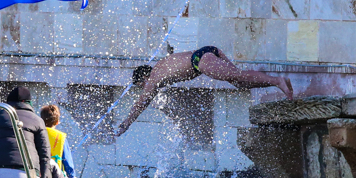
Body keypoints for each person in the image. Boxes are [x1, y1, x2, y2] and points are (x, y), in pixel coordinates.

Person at [116, 47, 293, 136]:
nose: (144, 89)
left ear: (143, 78)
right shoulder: (161, 66)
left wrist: (126, 123)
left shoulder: (152, 78)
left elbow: (141, 103)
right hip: (204, 54)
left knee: (238, 75)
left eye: (141, 85)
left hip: (200, 60)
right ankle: (277, 82)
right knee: (239, 82)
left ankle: (277, 81)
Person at [39, 104, 76, 178]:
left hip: (38, 174)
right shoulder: (60, 137)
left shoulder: (36, 133)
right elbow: (67, 162)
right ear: (57, 122)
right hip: (55, 177)